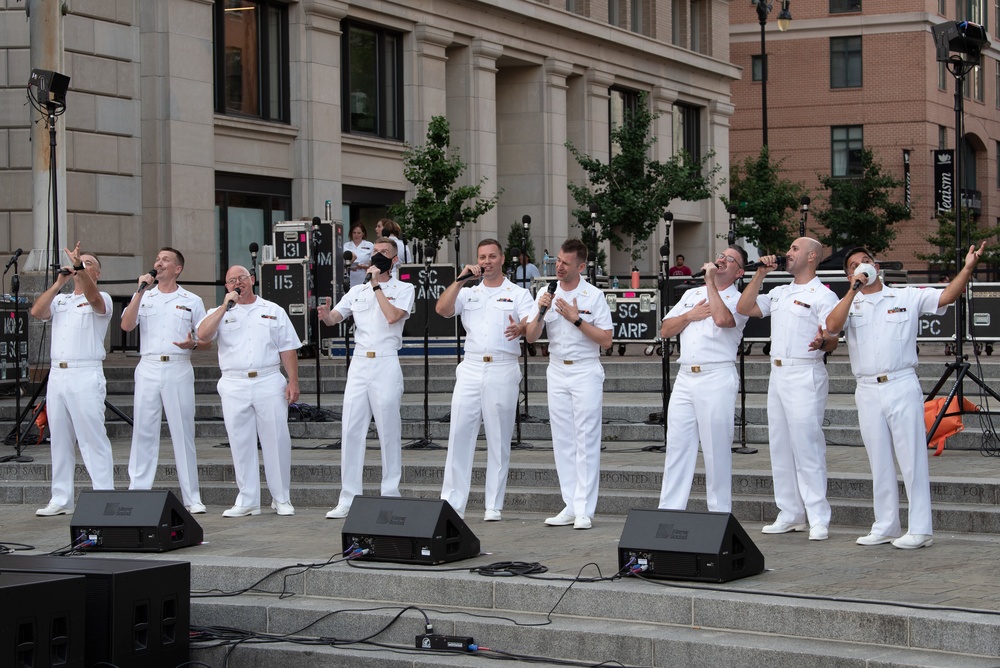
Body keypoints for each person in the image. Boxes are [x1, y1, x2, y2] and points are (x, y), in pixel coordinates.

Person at [826, 242, 986, 549]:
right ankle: (885, 524)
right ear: (849, 275)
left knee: (912, 458)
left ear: (877, 266)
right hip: (867, 388)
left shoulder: (905, 295)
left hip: (900, 383)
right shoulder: (849, 303)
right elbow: (831, 328)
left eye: (866, 261)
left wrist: (966, 268)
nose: (862, 266)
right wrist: (852, 292)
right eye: (854, 265)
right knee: (879, 459)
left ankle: (920, 529)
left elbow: (946, 296)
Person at [737, 237, 839, 541]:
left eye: (795, 249)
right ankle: (790, 513)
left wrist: (824, 343)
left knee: (807, 445)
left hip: (805, 371)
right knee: (780, 445)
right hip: (778, 372)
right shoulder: (780, 291)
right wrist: (759, 275)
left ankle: (818, 515)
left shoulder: (823, 295)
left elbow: (832, 336)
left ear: (811, 257)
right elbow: (745, 307)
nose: (787, 253)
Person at [437, 239, 534, 521]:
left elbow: (531, 325)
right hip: (471, 366)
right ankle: (452, 502)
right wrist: (459, 280)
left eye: (492, 256)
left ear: (502, 259)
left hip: (502, 367)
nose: (487, 261)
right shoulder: (468, 293)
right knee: (459, 435)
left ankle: (493, 504)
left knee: (499, 438)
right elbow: (443, 309)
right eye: (482, 257)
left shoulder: (518, 293)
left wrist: (523, 327)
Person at [318, 237, 414, 518]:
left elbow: (393, 317)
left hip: (385, 361)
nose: (378, 256)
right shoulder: (356, 292)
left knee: (388, 429)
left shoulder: (404, 288)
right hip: (360, 364)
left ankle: (390, 493)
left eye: (384, 253)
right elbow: (336, 317)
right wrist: (325, 316)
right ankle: (348, 497)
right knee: (350, 429)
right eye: (375, 252)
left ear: (394, 260)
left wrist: (377, 286)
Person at [197, 266, 300, 517]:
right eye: (231, 280)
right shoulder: (218, 312)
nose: (237, 283)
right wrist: (224, 308)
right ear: (226, 287)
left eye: (241, 278)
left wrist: (293, 381)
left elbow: (287, 347)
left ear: (251, 280)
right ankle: (248, 499)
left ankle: (281, 497)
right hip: (234, 382)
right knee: (239, 440)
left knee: (276, 439)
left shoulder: (272, 310)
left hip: (267, 379)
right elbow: (202, 335)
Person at [525, 238, 613, 529]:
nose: (559, 267)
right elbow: (531, 337)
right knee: (562, 439)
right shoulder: (546, 292)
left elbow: (606, 340)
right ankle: (570, 504)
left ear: (581, 265)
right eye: (558, 261)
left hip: (585, 370)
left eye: (565, 262)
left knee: (585, 438)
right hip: (557, 370)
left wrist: (576, 320)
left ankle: (585, 508)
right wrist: (540, 311)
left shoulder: (593, 295)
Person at [658, 247, 749, 514]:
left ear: (739, 272)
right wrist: (688, 316)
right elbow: (665, 329)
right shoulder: (690, 295)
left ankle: (720, 514)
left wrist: (710, 281)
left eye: (729, 259)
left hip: (716, 376)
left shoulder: (739, 299)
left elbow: (722, 319)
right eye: (720, 255)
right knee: (677, 447)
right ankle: (668, 511)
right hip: (686, 376)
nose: (721, 260)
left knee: (716, 450)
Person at [31, 244, 116, 516]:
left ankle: (104, 495)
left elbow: (94, 302)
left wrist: (80, 269)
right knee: (59, 438)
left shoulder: (102, 297)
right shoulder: (61, 300)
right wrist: (59, 283)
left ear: (97, 273)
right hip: (58, 374)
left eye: (88, 263)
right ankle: (61, 497)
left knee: (92, 437)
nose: (81, 264)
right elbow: (37, 312)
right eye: (81, 261)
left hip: (85, 372)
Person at [122, 247, 209, 514]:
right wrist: (139, 291)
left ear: (177, 269)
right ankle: (138, 490)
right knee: (144, 430)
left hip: (178, 366)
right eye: (157, 259)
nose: (158, 263)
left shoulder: (191, 300)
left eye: (165, 260)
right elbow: (126, 325)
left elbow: (206, 340)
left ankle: (192, 497)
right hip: (148, 366)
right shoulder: (145, 296)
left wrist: (193, 343)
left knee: (183, 432)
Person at [344, 223, 375, 288]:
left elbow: (373, 263)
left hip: (364, 276)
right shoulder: (346, 245)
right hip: (350, 276)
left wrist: (364, 266)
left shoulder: (369, 245)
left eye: (359, 233)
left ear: (363, 234)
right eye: (354, 233)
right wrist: (350, 266)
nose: (356, 235)